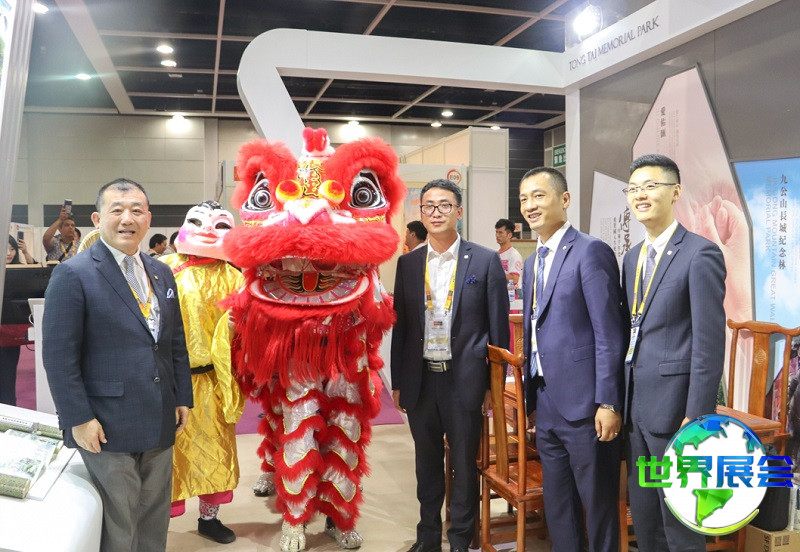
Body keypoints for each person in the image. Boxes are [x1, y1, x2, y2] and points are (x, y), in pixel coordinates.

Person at [42, 178, 193, 552]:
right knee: (119, 522)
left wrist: (181, 397)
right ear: (97, 219)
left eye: (137, 210)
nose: (128, 219)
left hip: (159, 414)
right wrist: (78, 418)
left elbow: (174, 341)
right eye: (117, 210)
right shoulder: (74, 274)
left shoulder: (161, 272)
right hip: (106, 424)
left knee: (154, 516)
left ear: (148, 219)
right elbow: (59, 357)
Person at [391, 178, 509, 552]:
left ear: (458, 211)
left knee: (463, 465)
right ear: (421, 212)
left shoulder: (485, 260)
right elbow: (402, 328)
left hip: (465, 383)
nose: (436, 212)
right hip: (421, 380)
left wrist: (492, 386)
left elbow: (499, 332)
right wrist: (398, 382)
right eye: (428, 206)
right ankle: (428, 537)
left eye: (444, 205)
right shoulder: (409, 264)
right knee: (426, 465)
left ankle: (460, 539)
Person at [621, 154, 726, 552]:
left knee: (680, 522)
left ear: (676, 192)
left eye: (650, 186)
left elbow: (709, 344)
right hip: (636, 409)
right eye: (633, 188)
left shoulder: (700, 254)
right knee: (646, 519)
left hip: (677, 411)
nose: (640, 195)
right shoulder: (632, 257)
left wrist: (696, 417)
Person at [520, 167, 627, 552]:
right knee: (558, 505)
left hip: (586, 406)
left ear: (564, 200)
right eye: (524, 199)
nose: (530, 206)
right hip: (546, 400)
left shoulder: (590, 251)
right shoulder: (532, 262)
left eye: (539, 196)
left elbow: (609, 333)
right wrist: (532, 399)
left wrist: (608, 402)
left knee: (597, 505)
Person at [161, 201, 244, 544]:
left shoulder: (234, 277)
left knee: (214, 449)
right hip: (170, 380)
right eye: (198, 221)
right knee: (169, 452)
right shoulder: (164, 269)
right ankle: (157, 521)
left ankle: (209, 518)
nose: (209, 229)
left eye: (220, 224)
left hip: (214, 381)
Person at [1, 236, 36, 405]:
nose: (9, 253)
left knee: (8, 375)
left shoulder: (20, 270)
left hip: (9, 336)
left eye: (12, 249)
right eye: (5, 249)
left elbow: (36, 275)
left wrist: (26, 252)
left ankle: (8, 409)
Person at [494, 218, 523, 288]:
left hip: (510, 293)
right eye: (496, 232)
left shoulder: (514, 255)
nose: (497, 235)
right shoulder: (495, 254)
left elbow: (514, 279)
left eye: (500, 232)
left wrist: (496, 273)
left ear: (509, 235)